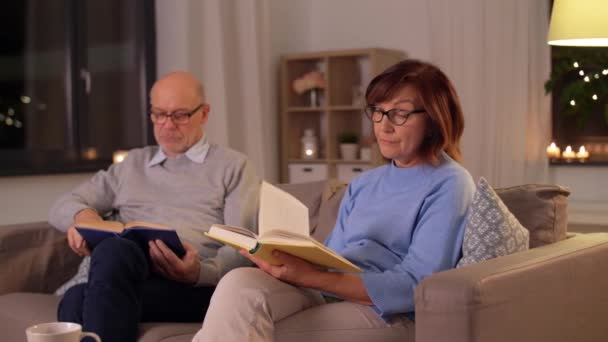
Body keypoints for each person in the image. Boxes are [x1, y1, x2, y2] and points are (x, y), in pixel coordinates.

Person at [192, 59, 476, 342]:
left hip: (387, 311)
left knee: (254, 328)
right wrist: (283, 262)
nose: (383, 126)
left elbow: (417, 285)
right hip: (331, 292)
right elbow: (332, 260)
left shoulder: (450, 182)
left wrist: (309, 277)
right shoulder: (364, 184)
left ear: (435, 119)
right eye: (378, 111)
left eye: (399, 114)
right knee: (238, 283)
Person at [49, 71, 259, 342]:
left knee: (85, 290)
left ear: (204, 114)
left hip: (192, 286)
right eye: (159, 114)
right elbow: (62, 205)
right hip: (126, 271)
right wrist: (85, 216)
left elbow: (243, 245)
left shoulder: (233, 167)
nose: (167, 125)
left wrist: (199, 272)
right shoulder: (132, 165)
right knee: (84, 287)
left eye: (180, 115)